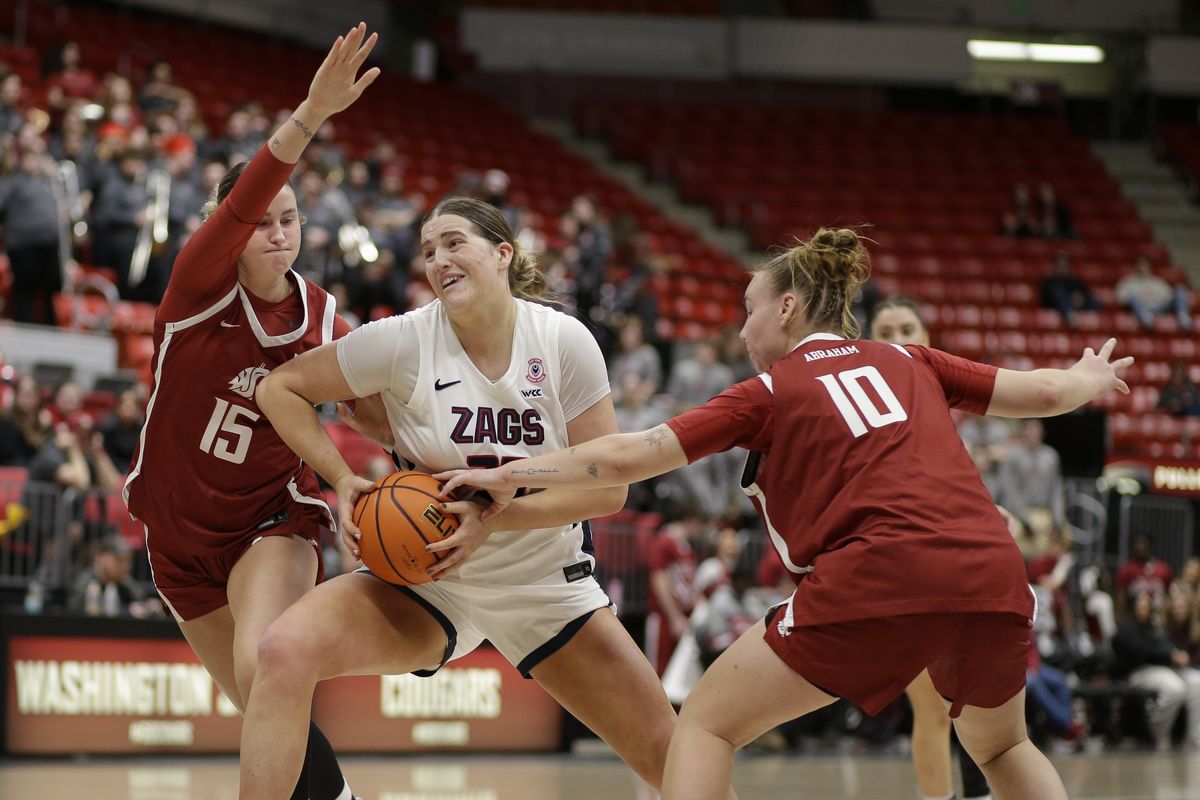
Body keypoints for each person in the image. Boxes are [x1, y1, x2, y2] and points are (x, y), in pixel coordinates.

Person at [439, 227, 1135, 800]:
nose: (741, 330)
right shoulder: (908, 356)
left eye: (749, 308)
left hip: (882, 571)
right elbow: (1044, 392)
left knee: (705, 726)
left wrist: (509, 474)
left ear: (789, 307)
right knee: (1006, 745)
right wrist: (1089, 377)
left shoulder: (768, 390)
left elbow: (628, 457)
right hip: (991, 572)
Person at [246, 195, 704, 800]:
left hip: (540, 582)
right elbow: (281, 388)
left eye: (454, 242)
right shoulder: (402, 341)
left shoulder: (563, 342)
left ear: (503, 254)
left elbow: (609, 491)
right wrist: (344, 478)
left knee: (673, 761)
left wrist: (494, 520)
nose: (439, 259)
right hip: (426, 578)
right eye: (429, 251)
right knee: (281, 651)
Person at [121, 24, 382, 800]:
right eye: (264, 220)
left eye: (291, 219)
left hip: (272, 520)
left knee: (264, 662)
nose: (278, 232)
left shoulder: (325, 316)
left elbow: (374, 414)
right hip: (175, 537)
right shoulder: (197, 288)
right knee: (261, 707)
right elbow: (245, 199)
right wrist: (312, 113)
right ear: (232, 229)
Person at [870, 293, 994, 800]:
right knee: (933, 709)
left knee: (982, 704)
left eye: (907, 329)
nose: (898, 340)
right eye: (884, 331)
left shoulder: (947, 408)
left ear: (928, 340)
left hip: (967, 562)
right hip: (902, 566)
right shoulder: (863, 410)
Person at [1112, 591, 1200, 750]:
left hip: (1164, 668)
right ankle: (1159, 735)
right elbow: (1140, 652)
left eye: (1147, 605)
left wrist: (1173, 656)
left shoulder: (1153, 627)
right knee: (1175, 688)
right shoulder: (1127, 627)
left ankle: (1193, 737)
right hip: (1138, 671)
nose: (1144, 609)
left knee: (1196, 681)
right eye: (1141, 605)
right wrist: (1169, 656)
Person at [1115, 256, 1192, 331]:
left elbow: (1168, 295)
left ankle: (1183, 318)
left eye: (1144, 265)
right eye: (1140, 265)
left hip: (1159, 307)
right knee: (1133, 296)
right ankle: (1146, 319)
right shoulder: (1128, 282)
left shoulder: (1157, 281)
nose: (1142, 267)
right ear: (1136, 267)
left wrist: (1153, 296)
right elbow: (1122, 298)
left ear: (1149, 266)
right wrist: (1140, 297)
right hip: (1142, 309)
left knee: (1180, 289)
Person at [1039, 251, 1099, 328]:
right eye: (1061, 266)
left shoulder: (1073, 280)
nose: (1063, 269)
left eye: (1065, 266)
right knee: (1058, 292)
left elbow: (1083, 292)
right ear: (1055, 266)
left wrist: (1079, 298)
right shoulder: (1050, 281)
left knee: (1093, 298)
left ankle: (1091, 315)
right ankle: (1070, 314)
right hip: (1056, 306)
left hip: (1076, 305)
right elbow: (1045, 297)